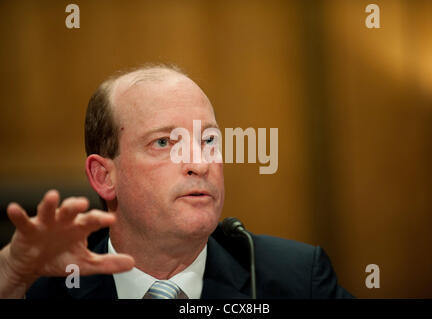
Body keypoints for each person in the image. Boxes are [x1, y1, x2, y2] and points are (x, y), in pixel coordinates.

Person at [0, 64, 353, 299]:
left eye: (209, 141)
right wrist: (11, 276)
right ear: (104, 176)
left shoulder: (295, 279)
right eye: (165, 143)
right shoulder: (40, 286)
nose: (199, 163)